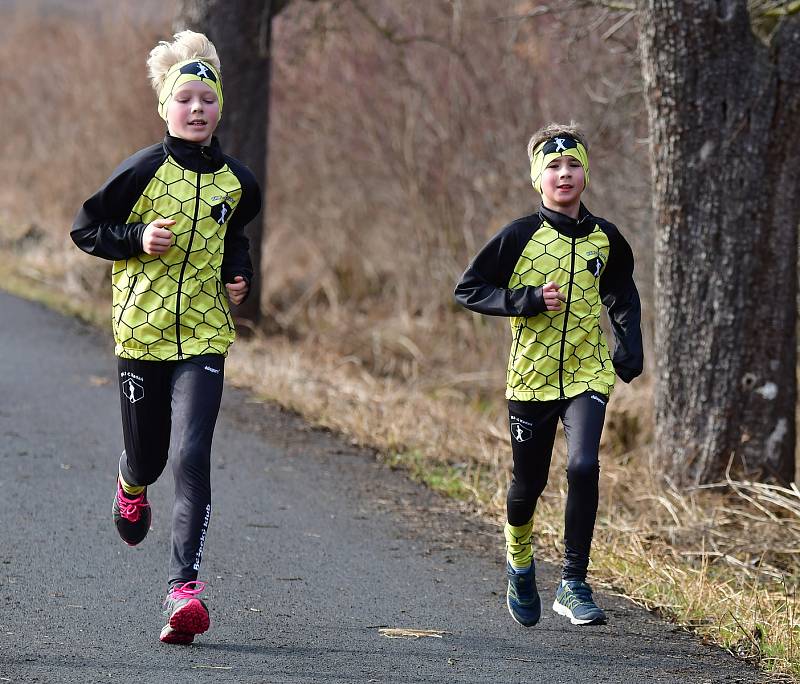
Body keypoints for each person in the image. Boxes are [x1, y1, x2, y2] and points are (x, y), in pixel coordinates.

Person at [71, 30, 261, 645]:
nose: (198, 109)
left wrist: (240, 276)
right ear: (165, 108)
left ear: (220, 107)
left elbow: (237, 236)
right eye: (186, 99)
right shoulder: (143, 169)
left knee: (192, 455)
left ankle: (184, 591)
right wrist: (135, 240)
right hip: (141, 334)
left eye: (208, 99)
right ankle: (130, 484)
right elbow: (87, 229)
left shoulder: (238, 182)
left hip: (204, 336)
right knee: (151, 458)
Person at [454, 123, 643, 627]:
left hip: (588, 372)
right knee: (528, 483)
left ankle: (574, 581)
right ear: (537, 178)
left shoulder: (607, 238)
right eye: (553, 166)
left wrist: (628, 348)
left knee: (583, 466)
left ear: (586, 173)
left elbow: (621, 292)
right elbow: (469, 289)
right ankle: (519, 560)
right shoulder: (519, 236)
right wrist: (526, 301)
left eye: (574, 164)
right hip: (531, 378)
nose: (565, 173)